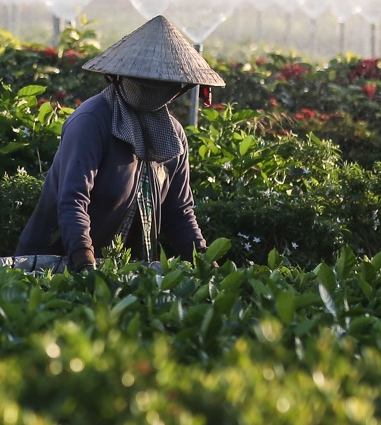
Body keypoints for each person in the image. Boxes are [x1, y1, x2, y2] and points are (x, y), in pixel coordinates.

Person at [16, 15, 225, 271]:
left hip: (120, 266)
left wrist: (205, 263)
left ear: (176, 87)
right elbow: (73, 200)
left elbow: (179, 212)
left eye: (160, 83)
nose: (151, 88)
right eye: (143, 80)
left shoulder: (172, 136)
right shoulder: (92, 122)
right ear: (118, 76)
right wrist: (83, 259)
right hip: (56, 262)